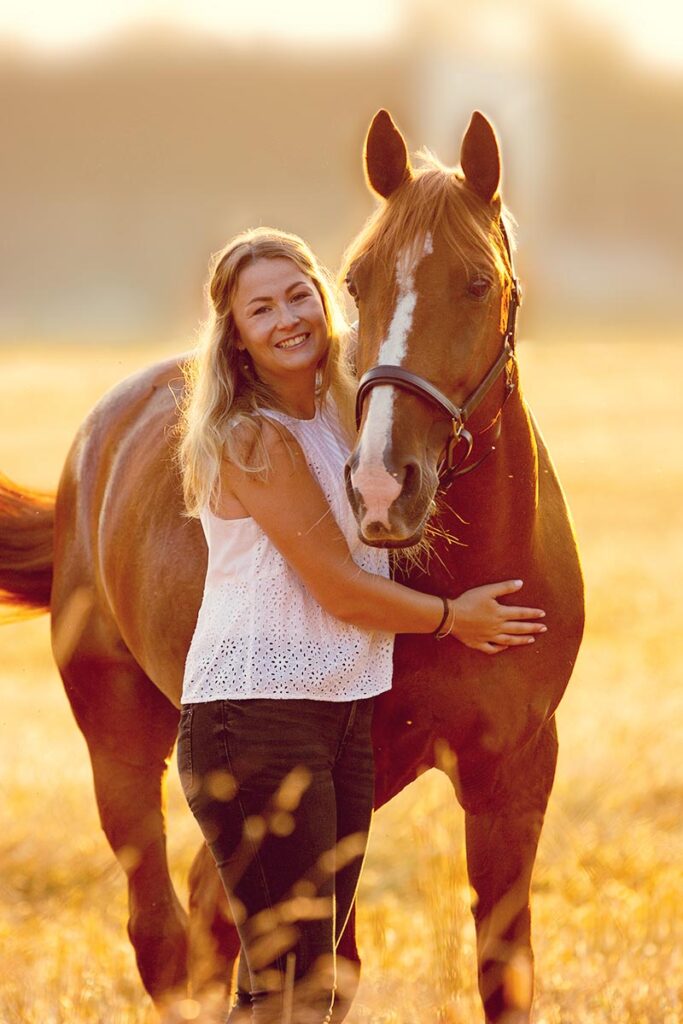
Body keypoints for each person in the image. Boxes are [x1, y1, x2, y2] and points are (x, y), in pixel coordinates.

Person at [176, 227, 546, 1023]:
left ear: (327, 299)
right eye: (260, 308)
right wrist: (455, 618)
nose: (286, 319)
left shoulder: (345, 421)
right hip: (253, 717)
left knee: (310, 984)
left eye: (298, 295)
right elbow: (341, 591)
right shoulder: (252, 436)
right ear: (234, 335)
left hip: (334, 718)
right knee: (295, 989)